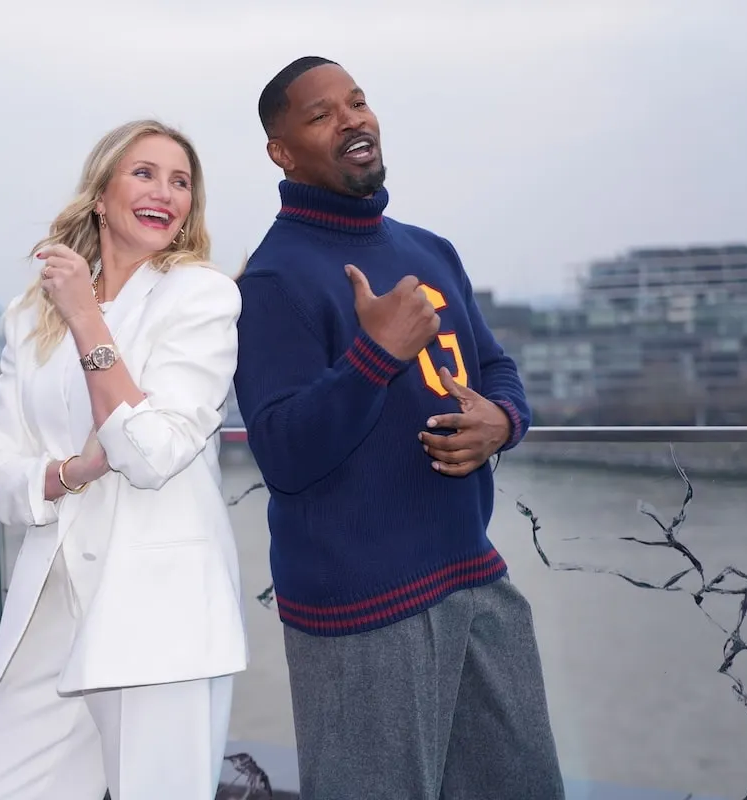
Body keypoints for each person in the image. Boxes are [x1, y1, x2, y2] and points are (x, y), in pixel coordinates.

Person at [232, 57, 566, 799]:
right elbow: (283, 453)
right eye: (320, 115)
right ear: (281, 153)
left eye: (357, 102)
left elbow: (500, 369)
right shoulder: (273, 280)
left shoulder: (429, 249)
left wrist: (501, 423)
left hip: (474, 577)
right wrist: (376, 353)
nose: (352, 118)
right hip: (360, 613)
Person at [0, 119, 248, 800]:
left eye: (181, 181)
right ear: (101, 194)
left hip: (157, 613)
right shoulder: (30, 316)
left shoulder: (203, 297)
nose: (165, 192)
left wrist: (90, 319)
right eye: (144, 173)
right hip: (51, 608)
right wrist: (66, 474)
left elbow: (154, 453)